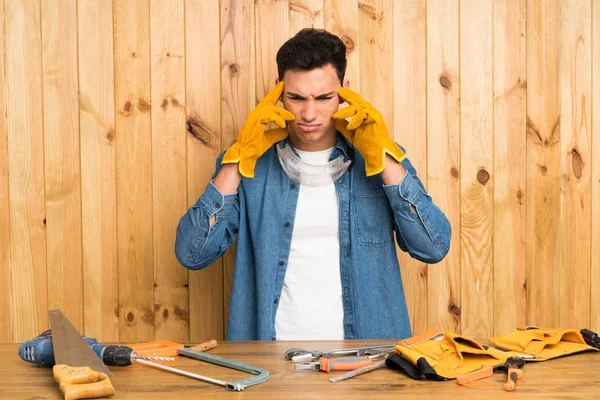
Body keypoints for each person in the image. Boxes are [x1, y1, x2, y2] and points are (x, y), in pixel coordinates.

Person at [175, 28, 451, 341]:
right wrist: (237, 159)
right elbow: (192, 254)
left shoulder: (379, 157)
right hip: (271, 364)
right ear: (278, 92)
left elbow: (433, 247)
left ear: (345, 91)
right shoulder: (249, 161)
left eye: (323, 98)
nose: (309, 113)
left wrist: (384, 158)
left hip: (363, 363)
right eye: (295, 98)